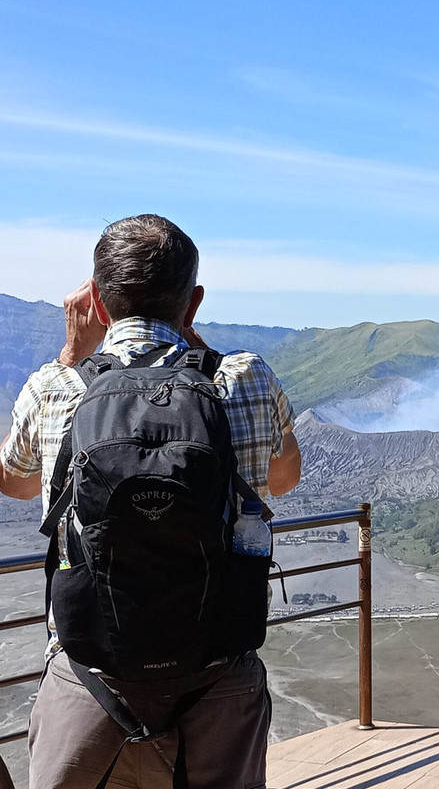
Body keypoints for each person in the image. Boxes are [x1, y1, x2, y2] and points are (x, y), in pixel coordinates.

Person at [0, 214, 302, 789]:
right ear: (194, 301)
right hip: (218, 676)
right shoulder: (248, 378)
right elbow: (284, 477)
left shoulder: (53, 386)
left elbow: (12, 481)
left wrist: (71, 354)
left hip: (89, 677)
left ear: (95, 299)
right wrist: (198, 345)